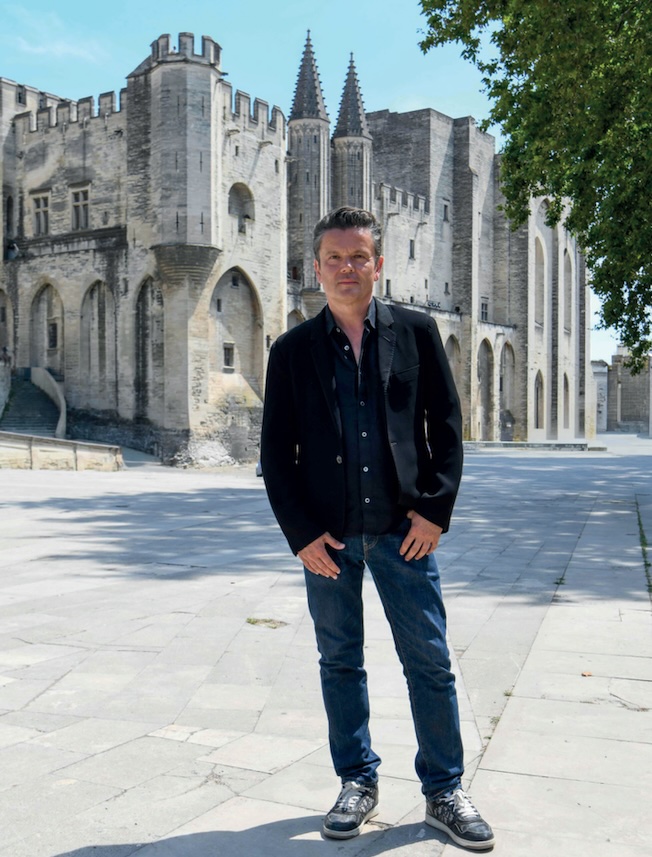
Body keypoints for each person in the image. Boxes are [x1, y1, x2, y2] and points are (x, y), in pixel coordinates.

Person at [260, 207, 494, 851]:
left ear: (378, 265)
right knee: (339, 661)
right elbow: (276, 453)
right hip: (328, 540)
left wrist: (434, 511)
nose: (346, 268)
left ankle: (445, 790)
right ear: (316, 268)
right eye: (334, 258)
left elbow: (446, 427)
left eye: (358, 257)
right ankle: (356, 781)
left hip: (402, 532)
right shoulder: (291, 350)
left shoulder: (417, 333)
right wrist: (301, 534)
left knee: (430, 661)